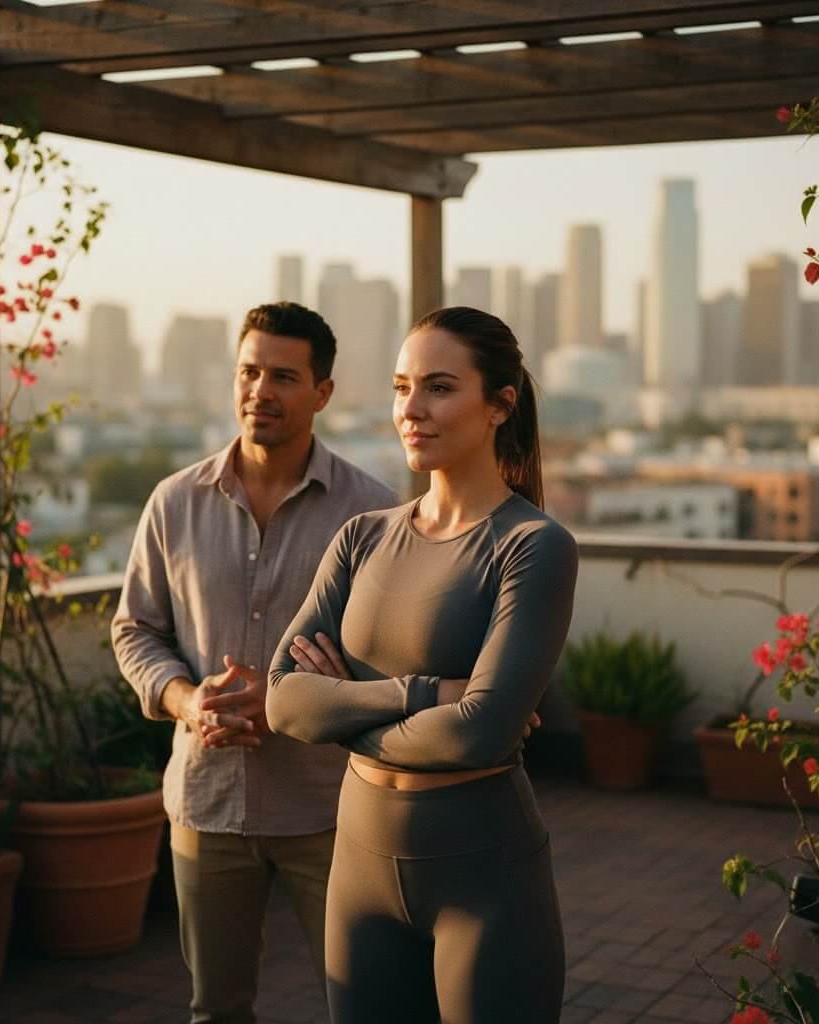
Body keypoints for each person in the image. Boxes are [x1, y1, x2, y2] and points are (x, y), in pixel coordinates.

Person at [265, 306, 578, 1024]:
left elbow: (479, 735)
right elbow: (283, 703)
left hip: (485, 875)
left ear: (500, 404)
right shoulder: (361, 537)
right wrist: (425, 692)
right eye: (403, 387)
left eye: (439, 387)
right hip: (359, 867)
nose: (412, 409)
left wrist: (341, 703)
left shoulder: (532, 544)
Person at [111, 301, 397, 1024]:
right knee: (217, 1009)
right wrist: (185, 701)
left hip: (329, 810)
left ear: (322, 392)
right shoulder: (174, 504)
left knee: (367, 1002)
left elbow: (394, 664)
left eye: (283, 375)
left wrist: (304, 700)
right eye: (248, 371)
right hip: (208, 806)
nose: (259, 390)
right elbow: (135, 630)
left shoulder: (372, 517)